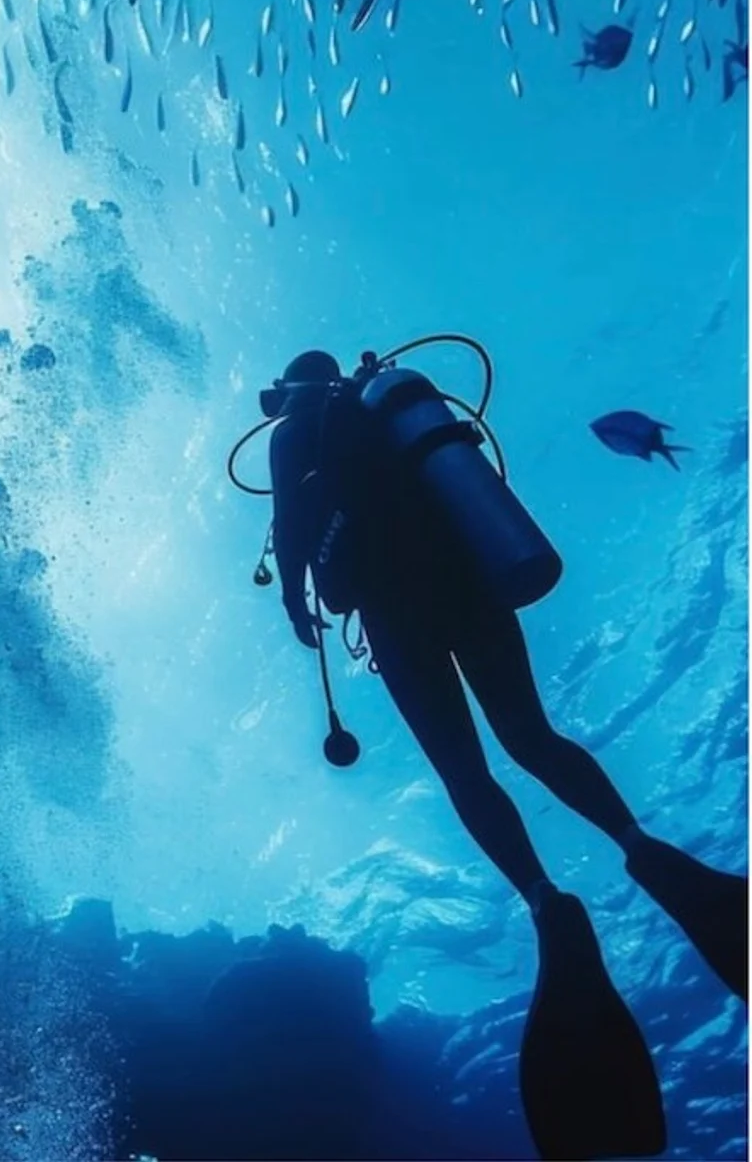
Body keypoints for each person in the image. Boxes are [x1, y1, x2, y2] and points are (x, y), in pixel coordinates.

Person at [266, 348, 748, 1159]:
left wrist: (291, 593)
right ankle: (639, 844)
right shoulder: (382, 405)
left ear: (291, 389)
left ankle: (542, 899)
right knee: (531, 736)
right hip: (464, 576)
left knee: (465, 772)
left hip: (391, 612)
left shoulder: (293, 433)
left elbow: (290, 523)